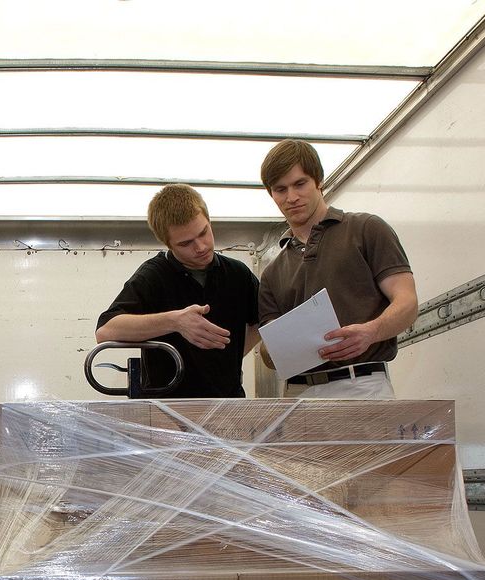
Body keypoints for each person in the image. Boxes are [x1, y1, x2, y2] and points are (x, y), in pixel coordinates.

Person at [257, 140, 419, 398]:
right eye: (280, 189)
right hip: (299, 394)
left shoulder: (366, 229)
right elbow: (268, 351)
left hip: (362, 386)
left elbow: (407, 301)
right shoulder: (271, 273)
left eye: (300, 184)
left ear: (319, 181)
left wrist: (371, 332)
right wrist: (275, 348)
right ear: (271, 193)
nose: (292, 197)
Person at [96, 184, 261, 398]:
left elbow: (262, 320)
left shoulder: (238, 274)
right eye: (186, 243)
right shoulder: (152, 276)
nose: (201, 247)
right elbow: (106, 331)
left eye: (204, 233)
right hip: (167, 408)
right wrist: (175, 321)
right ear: (168, 244)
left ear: (209, 221)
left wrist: (229, 356)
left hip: (226, 404)